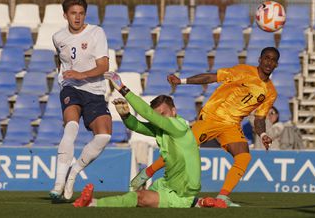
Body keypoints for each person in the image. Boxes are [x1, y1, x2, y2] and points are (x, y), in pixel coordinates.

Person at [130, 46, 279, 207]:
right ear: (260, 59)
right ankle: (147, 172)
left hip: (232, 125)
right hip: (212, 117)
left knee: (244, 157)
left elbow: (259, 118)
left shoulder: (271, 92)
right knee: (181, 149)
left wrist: (263, 135)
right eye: (266, 58)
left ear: (276, 64)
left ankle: (222, 197)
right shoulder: (243, 71)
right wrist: (182, 81)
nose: (269, 62)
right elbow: (211, 77)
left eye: (273, 60)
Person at [73, 71, 224, 208]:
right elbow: (136, 126)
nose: (159, 119)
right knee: (136, 194)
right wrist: (125, 115)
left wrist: (122, 88)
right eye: (157, 115)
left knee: (140, 198)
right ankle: (200, 203)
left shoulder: (178, 126)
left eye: (162, 114)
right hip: (166, 184)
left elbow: (147, 113)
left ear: (174, 111)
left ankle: (92, 203)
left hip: (181, 193)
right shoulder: (163, 129)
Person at [50, 0, 112, 200]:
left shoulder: (96, 32)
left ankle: (73, 173)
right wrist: (65, 77)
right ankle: (58, 184)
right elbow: (59, 58)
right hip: (71, 88)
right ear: (65, 15)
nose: (77, 17)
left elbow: (104, 66)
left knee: (104, 135)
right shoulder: (58, 37)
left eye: (81, 13)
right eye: (73, 13)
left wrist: (81, 74)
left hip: (94, 89)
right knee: (71, 126)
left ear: (85, 14)